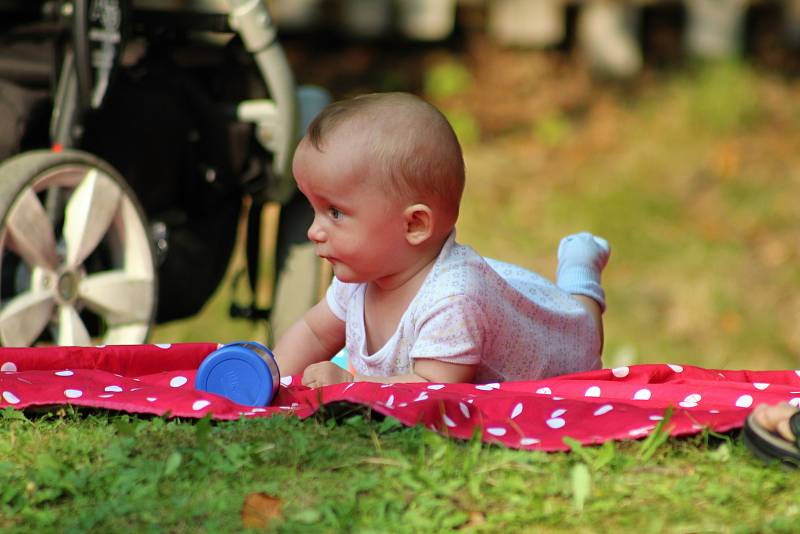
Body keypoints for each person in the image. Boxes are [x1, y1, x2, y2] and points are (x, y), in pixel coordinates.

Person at [272, 92, 610, 387]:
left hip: (557, 340)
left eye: (335, 212)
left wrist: (352, 384)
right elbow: (314, 333)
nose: (313, 231)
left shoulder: (453, 302)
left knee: (583, 321)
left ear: (415, 225)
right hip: (495, 294)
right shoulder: (363, 275)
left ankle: (579, 267)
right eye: (314, 209)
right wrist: (272, 375)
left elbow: (433, 388)